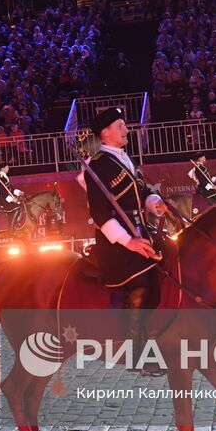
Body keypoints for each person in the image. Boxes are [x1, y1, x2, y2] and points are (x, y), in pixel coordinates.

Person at [82, 107, 164, 374]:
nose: (126, 130)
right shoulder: (97, 166)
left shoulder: (124, 158)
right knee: (139, 284)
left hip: (141, 231)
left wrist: (154, 203)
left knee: (159, 278)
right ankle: (134, 354)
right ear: (105, 133)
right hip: (117, 243)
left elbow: (142, 191)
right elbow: (98, 213)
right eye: (120, 126)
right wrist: (128, 242)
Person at [0, 165, 25, 232]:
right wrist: (12, 199)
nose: (8, 168)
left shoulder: (4, 177)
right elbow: (2, 193)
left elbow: (10, 189)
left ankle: (16, 225)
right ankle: (11, 229)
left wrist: (18, 192)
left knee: (21, 205)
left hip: (6, 197)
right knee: (17, 208)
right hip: (3, 199)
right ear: (2, 168)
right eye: (7, 167)